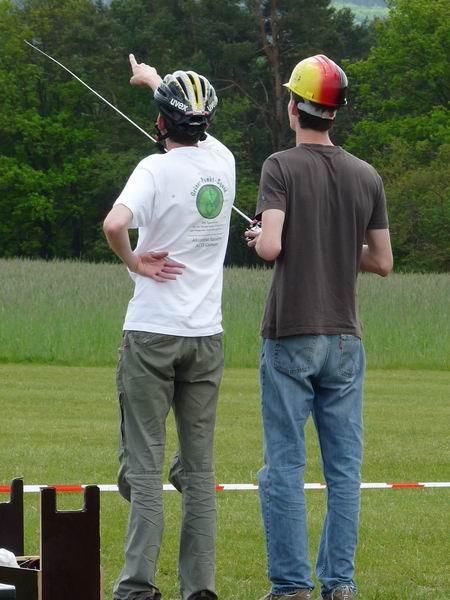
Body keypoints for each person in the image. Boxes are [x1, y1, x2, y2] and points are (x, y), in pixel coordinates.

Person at [246, 55, 393, 600]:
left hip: (291, 333)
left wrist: (260, 237)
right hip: (346, 340)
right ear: (335, 113)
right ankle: (339, 583)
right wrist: (339, 247)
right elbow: (382, 261)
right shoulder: (366, 175)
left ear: (294, 107)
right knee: (344, 470)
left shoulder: (279, 167)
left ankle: (291, 587)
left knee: (284, 465)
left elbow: (270, 247)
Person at [103, 54, 235, 600]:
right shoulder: (224, 162)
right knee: (199, 471)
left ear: (160, 123)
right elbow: (191, 122)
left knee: (143, 467)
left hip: (152, 334)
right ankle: (199, 589)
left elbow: (114, 224)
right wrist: (155, 81)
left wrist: (136, 263)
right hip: (206, 338)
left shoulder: (152, 169)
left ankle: (137, 587)